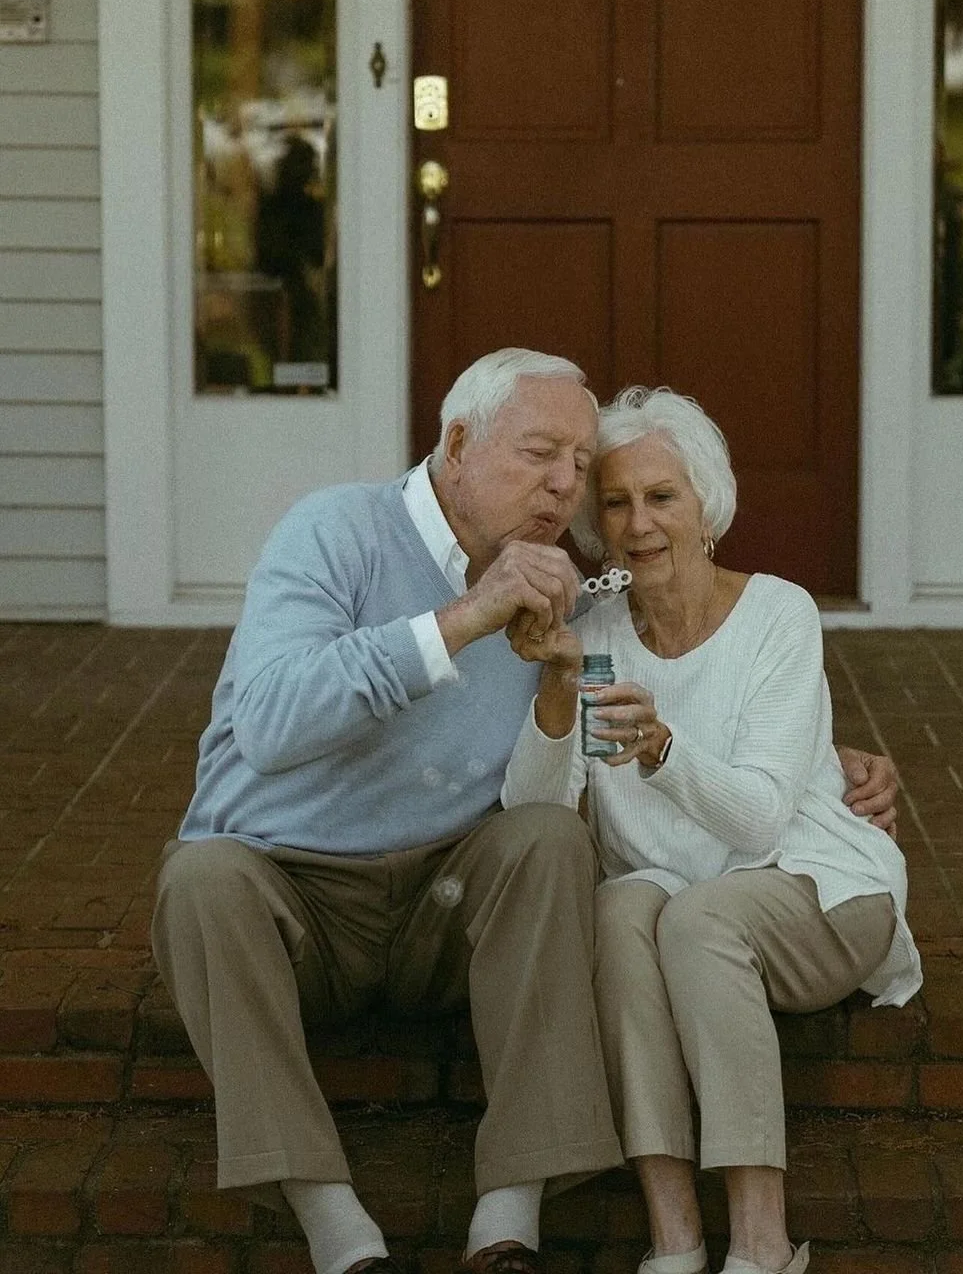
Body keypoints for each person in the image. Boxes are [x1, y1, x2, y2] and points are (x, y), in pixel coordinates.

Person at [152, 350, 898, 1274]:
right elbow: (267, 724)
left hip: (444, 903)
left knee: (548, 842)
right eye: (543, 454)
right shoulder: (336, 533)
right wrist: (465, 620)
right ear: (458, 442)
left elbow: (709, 670)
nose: (564, 488)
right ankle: (336, 1227)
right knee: (200, 878)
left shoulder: (562, 602)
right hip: (293, 897)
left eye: (579, 465)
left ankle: (509, 1220)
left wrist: (839, 759)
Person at [501, 387, 922, 1274]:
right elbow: (535, 814)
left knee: (696, 918)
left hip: (816, 886)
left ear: (707, 509)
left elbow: (763, 816)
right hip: (678, 899)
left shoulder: (778, 613)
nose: (638, 523)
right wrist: (552, 688)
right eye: (614, 503)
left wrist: (660, 748)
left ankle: (763, 1244)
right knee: (618, 913)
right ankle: (676, 1239)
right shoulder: (596, 632)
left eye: (662, 498)